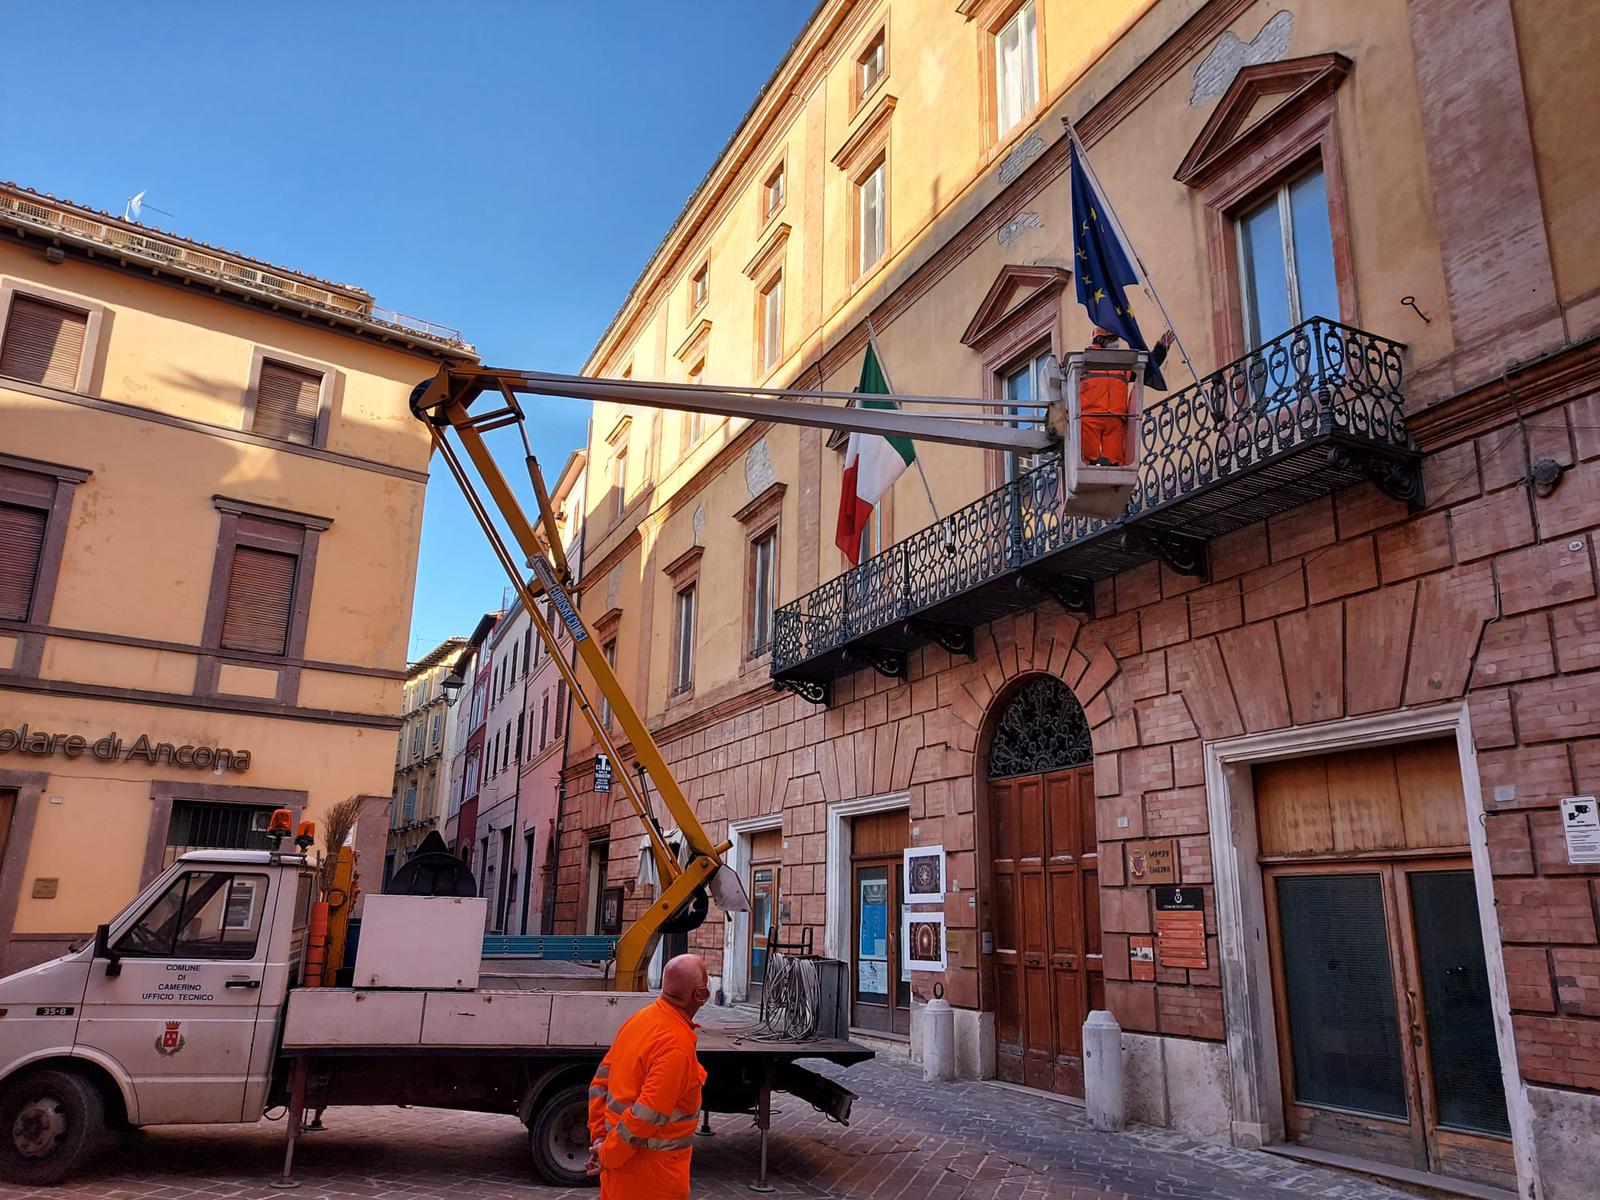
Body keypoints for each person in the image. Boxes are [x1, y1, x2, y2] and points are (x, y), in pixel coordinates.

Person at [586, 954, 710, 1199]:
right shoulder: (676, 1044)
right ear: (701, 995)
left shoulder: (639, 1021)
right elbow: (646, 1116)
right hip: (652, 1181)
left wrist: (600, 1139)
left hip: (620, 1178)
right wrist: (607, 1154)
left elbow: (599, 1085)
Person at [1079, 327, 1176, 466]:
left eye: (1116, 339)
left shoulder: (1122, 365)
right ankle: (1089, 466)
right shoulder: (1084, 362)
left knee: (1115, 460)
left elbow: (1146, 370)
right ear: (1100, 340)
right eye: (1112, 339)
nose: (1116, 343)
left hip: (1116, 418)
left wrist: (1160, 349)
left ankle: (1113, 472)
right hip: (1089, 417)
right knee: (1088, 459)